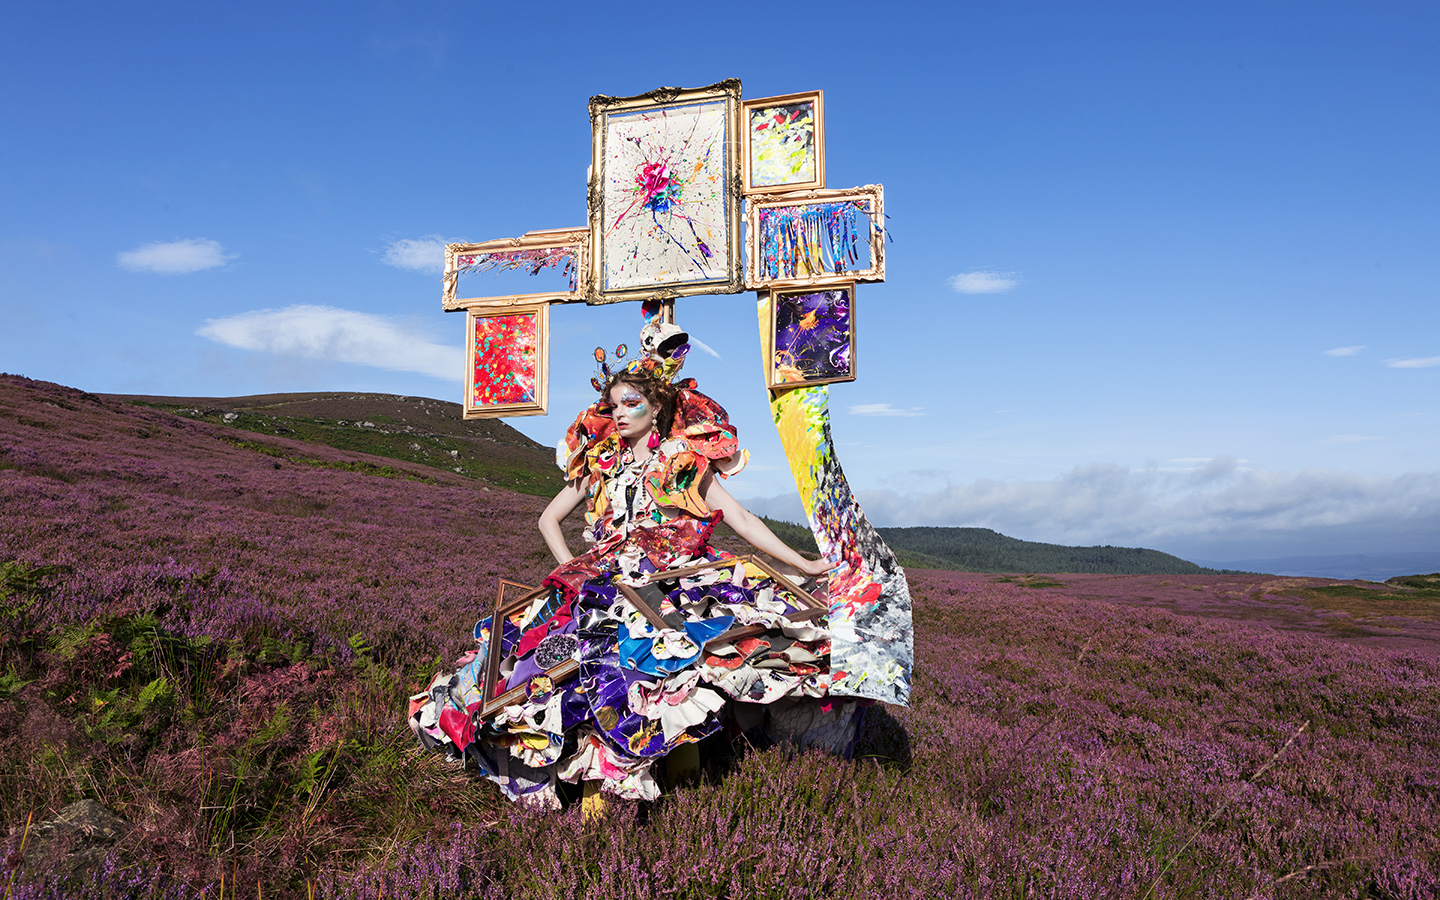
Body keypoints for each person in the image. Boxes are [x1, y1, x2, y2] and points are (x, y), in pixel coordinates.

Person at [407, 319, 843, 808]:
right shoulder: (600, 462)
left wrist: (802, 565)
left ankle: (674, 775)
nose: (618, 414)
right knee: (544, 665)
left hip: (672, 577)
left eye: (630, 404)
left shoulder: (682, 460)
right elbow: (548, 519)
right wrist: (575, 569)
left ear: (657, 408)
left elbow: (738, 516)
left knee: (673, 666)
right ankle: (581, 775)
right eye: (613, 405)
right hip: (602, 579)